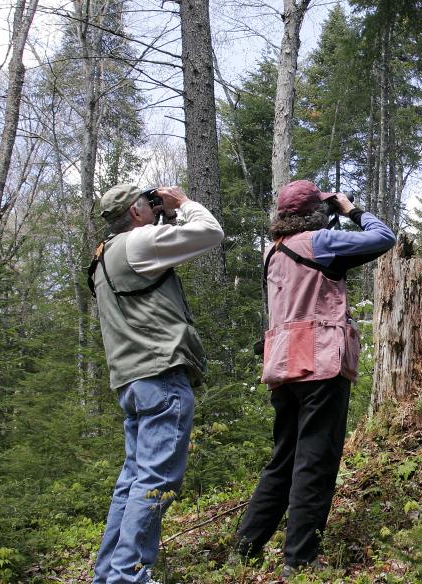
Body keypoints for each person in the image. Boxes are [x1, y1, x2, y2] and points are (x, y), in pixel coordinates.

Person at [232, 180, 395, 577]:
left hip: (283, 366)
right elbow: (383, 237)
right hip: (320, 363)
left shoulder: (272, 252)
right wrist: (352, 209)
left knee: (283, 460)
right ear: (315, 212)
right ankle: (300, 560)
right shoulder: (320, 241)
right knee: (315, 461)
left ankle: (244, 550)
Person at [89, 184, 224, 584]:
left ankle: (108, 574)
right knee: (155, 480)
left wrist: (162, 215)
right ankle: (128, 577)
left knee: (132, 481)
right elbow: (210, 232)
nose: (154, 207)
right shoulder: (139, 243)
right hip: (160, 375)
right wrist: (182, 204)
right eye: (149, 204)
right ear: (135, 211)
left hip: (130, 381)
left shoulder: (103, 257)